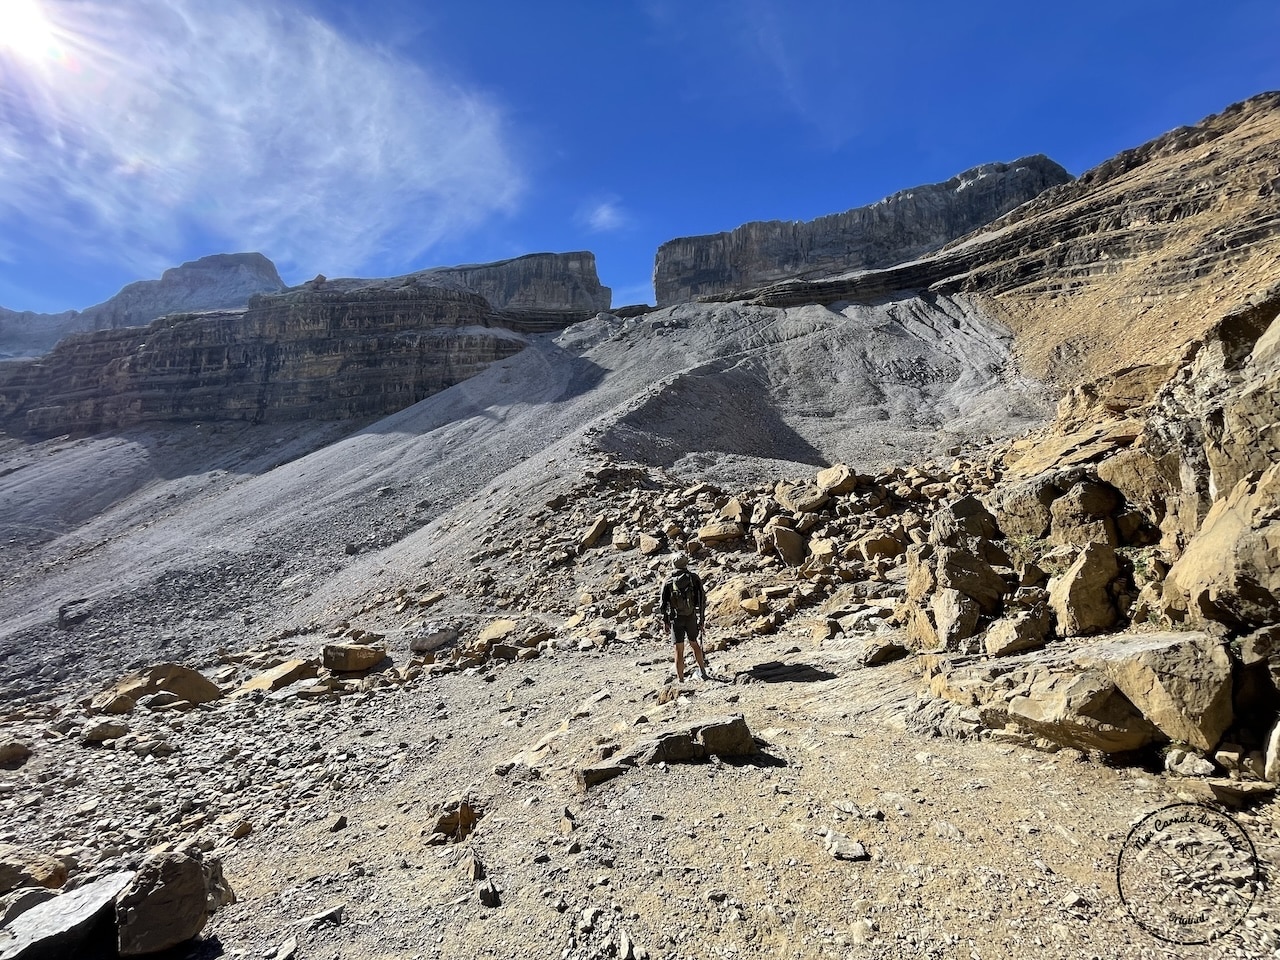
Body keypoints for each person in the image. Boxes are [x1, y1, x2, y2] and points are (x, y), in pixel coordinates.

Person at [658, 554, 710, 682]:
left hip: (676, 619)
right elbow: (702, 599)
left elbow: (663, 603)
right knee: (694, 643)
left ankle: (680, 679)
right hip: (691, 616)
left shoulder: (669, 580)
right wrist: (701, 620)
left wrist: (665, 621)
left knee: (678, 649)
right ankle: (702, 671)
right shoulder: (693, 578)